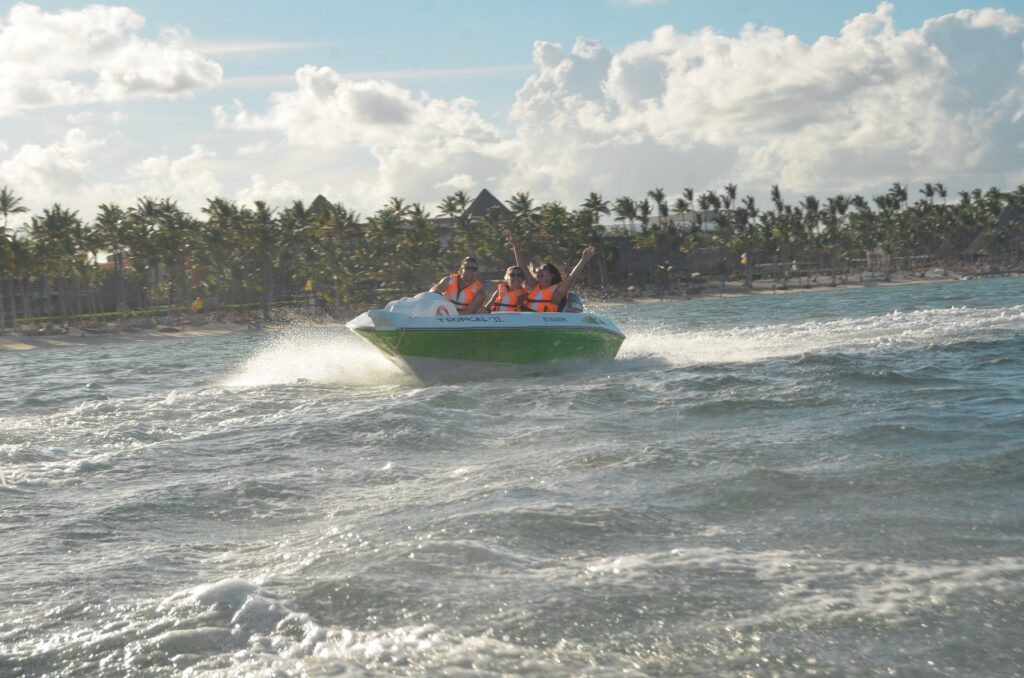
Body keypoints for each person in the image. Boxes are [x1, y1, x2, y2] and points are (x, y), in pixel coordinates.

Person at [509, 233, 598, 312]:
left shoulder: (557, 292)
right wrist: (515, 247)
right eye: (539, 269)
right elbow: (523, 268)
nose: (539, 270)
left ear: (551, 276)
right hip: (526, 320)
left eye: (543, 269)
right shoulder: (535, 286)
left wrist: (583, 260)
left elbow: (571, 278)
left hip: (544, 324)